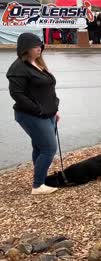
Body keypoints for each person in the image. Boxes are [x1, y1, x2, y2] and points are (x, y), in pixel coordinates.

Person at [6, 33, 60, 195]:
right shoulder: (18, 68)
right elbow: (17, 94)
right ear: (25, 48)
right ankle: (38, 186)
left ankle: (40, 179)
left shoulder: (38, 63)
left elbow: (48, 88)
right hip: (31, 115)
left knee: (39, 147)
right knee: (49, 148)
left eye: (40, 46)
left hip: (49, 114)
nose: (39, 48)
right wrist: (39, 110)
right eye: (35, 46)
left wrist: (54, 109)